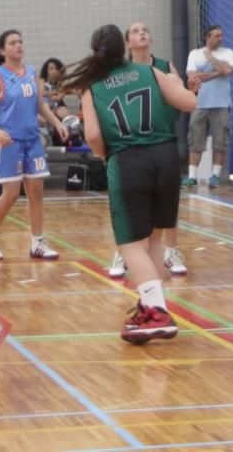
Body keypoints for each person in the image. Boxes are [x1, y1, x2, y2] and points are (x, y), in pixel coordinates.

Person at [62, 24, 198, 343]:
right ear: (123, 49)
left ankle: (157, 313)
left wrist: (104, 155)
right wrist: (183, 85)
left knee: (129, 245)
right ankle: (148, 305)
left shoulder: (92, 87)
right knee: (153, 241)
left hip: (128, 161)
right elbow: (188, 103)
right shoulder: (148, 71)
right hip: (165, 158)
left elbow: (93, 136)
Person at [0, 30, 68, 261]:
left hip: (32, 139)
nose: (18, 45)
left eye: (20, 41)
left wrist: (57, 122)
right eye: (12, 42)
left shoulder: (31, 72)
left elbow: (40, 105)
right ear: (2, 50)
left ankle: (37, 241)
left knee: (36, 191)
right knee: (10, 194)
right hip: (9, 140)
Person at [107, 22, 187, 278]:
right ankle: (125, 251)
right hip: (129, 147)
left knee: (167, 205)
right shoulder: (118, 73)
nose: (142, 33)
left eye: (145, 30)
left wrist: (192, 90)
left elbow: (182, 99)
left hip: (162, 143)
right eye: (135, 31)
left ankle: (171, 251)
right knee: (128, 206)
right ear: (127, 43)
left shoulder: (165, 67)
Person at [183, 25, 233, 189]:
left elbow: (228, 70)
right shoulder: (194, 54)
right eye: (217, 36)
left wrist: (210, 57)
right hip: (199, 104)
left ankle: (215, 176)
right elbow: (192, 76)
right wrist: (217, 72)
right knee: (195, 141)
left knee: (220, 142)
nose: (220, 38)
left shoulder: (228, 53)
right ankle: (192, 176)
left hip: (221, 104)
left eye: (221, 36)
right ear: (208, 37)